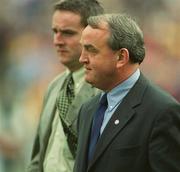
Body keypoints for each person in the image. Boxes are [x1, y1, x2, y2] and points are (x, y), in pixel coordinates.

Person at [74, 13, 180, 172]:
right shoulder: (87, 110)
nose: (82, 58)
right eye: (82, 49)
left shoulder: (162, 111)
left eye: (91, 50)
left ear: (121, 57)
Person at [27, 0, 104, 172]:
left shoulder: (106, 89)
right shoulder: (54, 86)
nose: (57, 41)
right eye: (55, 31)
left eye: (67, 33)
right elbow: (39, 157)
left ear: (92, 35)